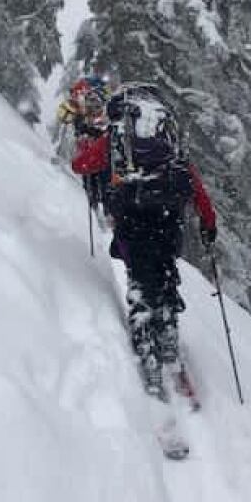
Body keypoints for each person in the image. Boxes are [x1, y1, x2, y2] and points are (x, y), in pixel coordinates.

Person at [71, 83, 217, 399]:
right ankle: (168, 336)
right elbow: (193, 183)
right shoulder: (167, 141)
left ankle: (148, 355)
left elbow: (81, 166)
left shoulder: (117, 138)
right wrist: (208, 223)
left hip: (132, 219)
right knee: (165, 275)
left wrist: (85, 145)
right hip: (168, 220)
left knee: (139, 279)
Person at [56, 76, 111, 212]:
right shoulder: (80, 115)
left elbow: (102, 125)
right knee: (93, 182)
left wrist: (89, 130)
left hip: (98, 153)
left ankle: (102, 207)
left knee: (102, 182)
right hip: (91, 152)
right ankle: (97, 205)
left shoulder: (90, 100)